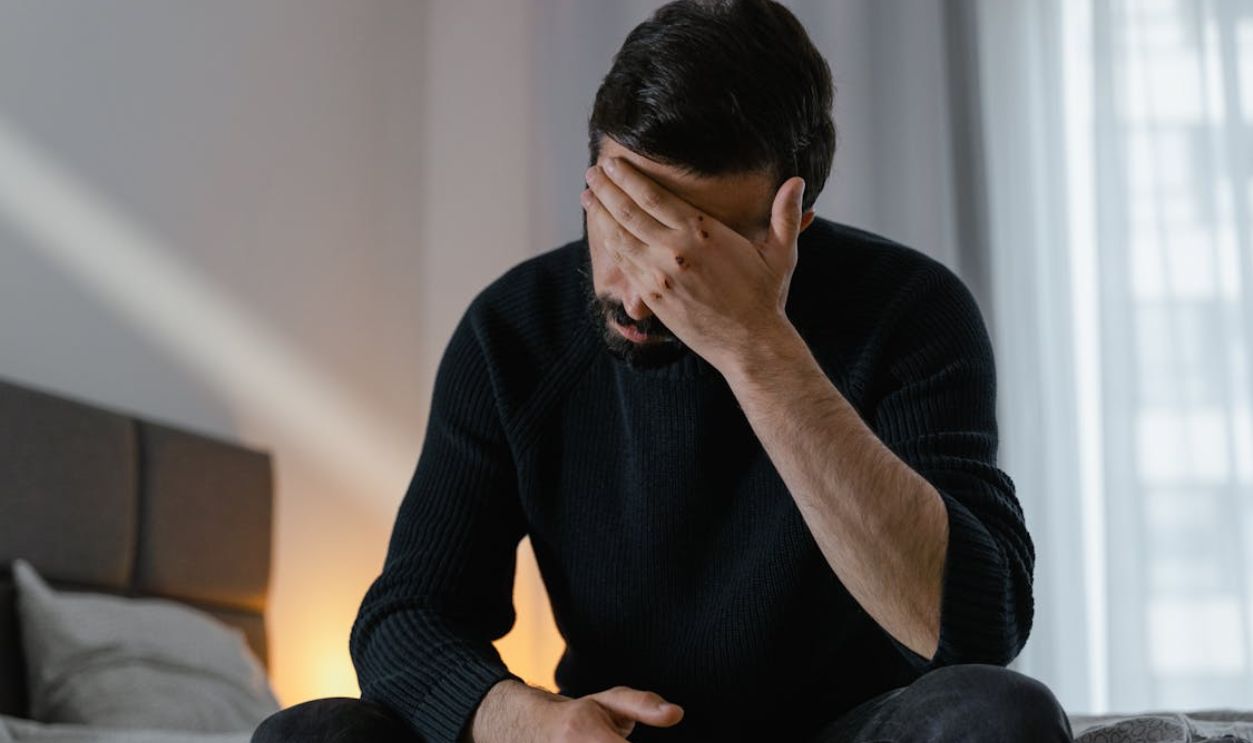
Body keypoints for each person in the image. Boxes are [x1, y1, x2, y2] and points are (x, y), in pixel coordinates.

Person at [253, 1, 1076, 741]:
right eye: (630, 218)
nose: (648, 284)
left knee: (999, 716)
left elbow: (975, 627)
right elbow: (404, 618)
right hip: (618, 735)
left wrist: (756, 345)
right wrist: (525, 720)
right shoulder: (511, 332)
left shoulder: (910, 311)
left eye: (699, 245)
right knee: (314, 733)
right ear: (590, 182)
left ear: (794, 221)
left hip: (846, 731)